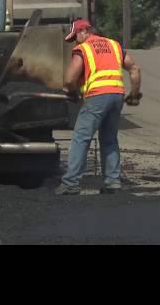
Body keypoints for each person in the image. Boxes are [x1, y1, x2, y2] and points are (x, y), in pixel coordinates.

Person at [56, 19, 142, 195]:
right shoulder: (114, 45)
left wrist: (72, 92)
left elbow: (70, 79)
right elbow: (135, 69)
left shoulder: (83, 48)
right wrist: (134, 94)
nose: (75, 41)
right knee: (109, 139)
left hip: (97, 96)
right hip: (117, 95)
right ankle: (112, 182)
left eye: (75, 37)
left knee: (81, 138)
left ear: (84, 31)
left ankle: (71, 183)